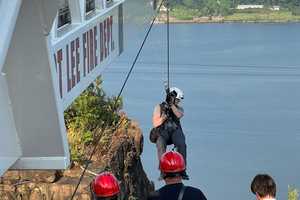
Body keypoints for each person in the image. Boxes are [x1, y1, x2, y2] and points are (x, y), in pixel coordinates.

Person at [152, 87, 187, 166]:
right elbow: (155, 123)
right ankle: (162, 169)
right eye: (177, 100)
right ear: (172, 98)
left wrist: (171, 105)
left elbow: (178, 115)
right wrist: (163, 119)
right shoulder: (159, 107)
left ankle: (183, 168)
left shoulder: (179, 108)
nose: (179, 102)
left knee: (182, 144)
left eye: (179, 100)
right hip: (163, 131)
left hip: (175, 131)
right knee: (160, 143)